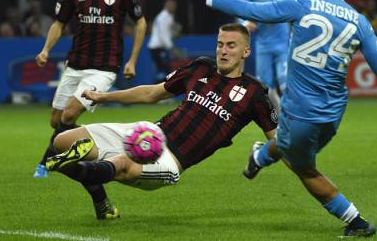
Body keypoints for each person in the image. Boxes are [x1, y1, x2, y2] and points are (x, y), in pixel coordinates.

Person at [190, 0, 377, 237]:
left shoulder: (303, 6)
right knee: (287, 140)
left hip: (301, 111)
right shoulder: (359, 21)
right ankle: (260, 157)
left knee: (303, 167)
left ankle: (357, 222)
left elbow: (256, 11)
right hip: (334, 116)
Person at [45, 23, 278, 219]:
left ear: (246, 51)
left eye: (231, 45)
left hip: (170, 160)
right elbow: (151, 93)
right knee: (62, 141)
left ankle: (79, 166)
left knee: (123, 164)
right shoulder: (201, 67)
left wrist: (296, 165)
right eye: (220, 44)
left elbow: (279, 141)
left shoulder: (256, 93)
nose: (223, 51)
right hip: (149, 133)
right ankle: (99, 196)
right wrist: (103, 96)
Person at [32, 0, 147, 178]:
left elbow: (140, 22)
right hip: (75, 64)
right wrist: (45, 49)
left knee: (69, 114)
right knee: (56, 121)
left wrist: (132, 60)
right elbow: (59, 23)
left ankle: (45, 163)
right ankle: (94, 140)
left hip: (104, 67)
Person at [243, 0, 294, 110]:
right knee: (264, 88)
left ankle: (291, 117)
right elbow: (243, 14)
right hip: (263, 46)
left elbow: (294, 19)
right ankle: (279, 118)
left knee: (285, 85)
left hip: (283, 46)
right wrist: (247, 23)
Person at [148, 0, 182, 83]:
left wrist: (176, 32)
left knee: (164, 70)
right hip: (157, 47)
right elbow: (163, 34)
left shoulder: (168, 16)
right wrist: (172, 48)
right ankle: (158, 92)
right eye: (172, 5)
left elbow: (169, 33)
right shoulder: (164, 17)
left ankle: (161, 92)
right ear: (167, 5)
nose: (174, 7)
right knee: (163, 71)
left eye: (175, 6)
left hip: (160, 47)